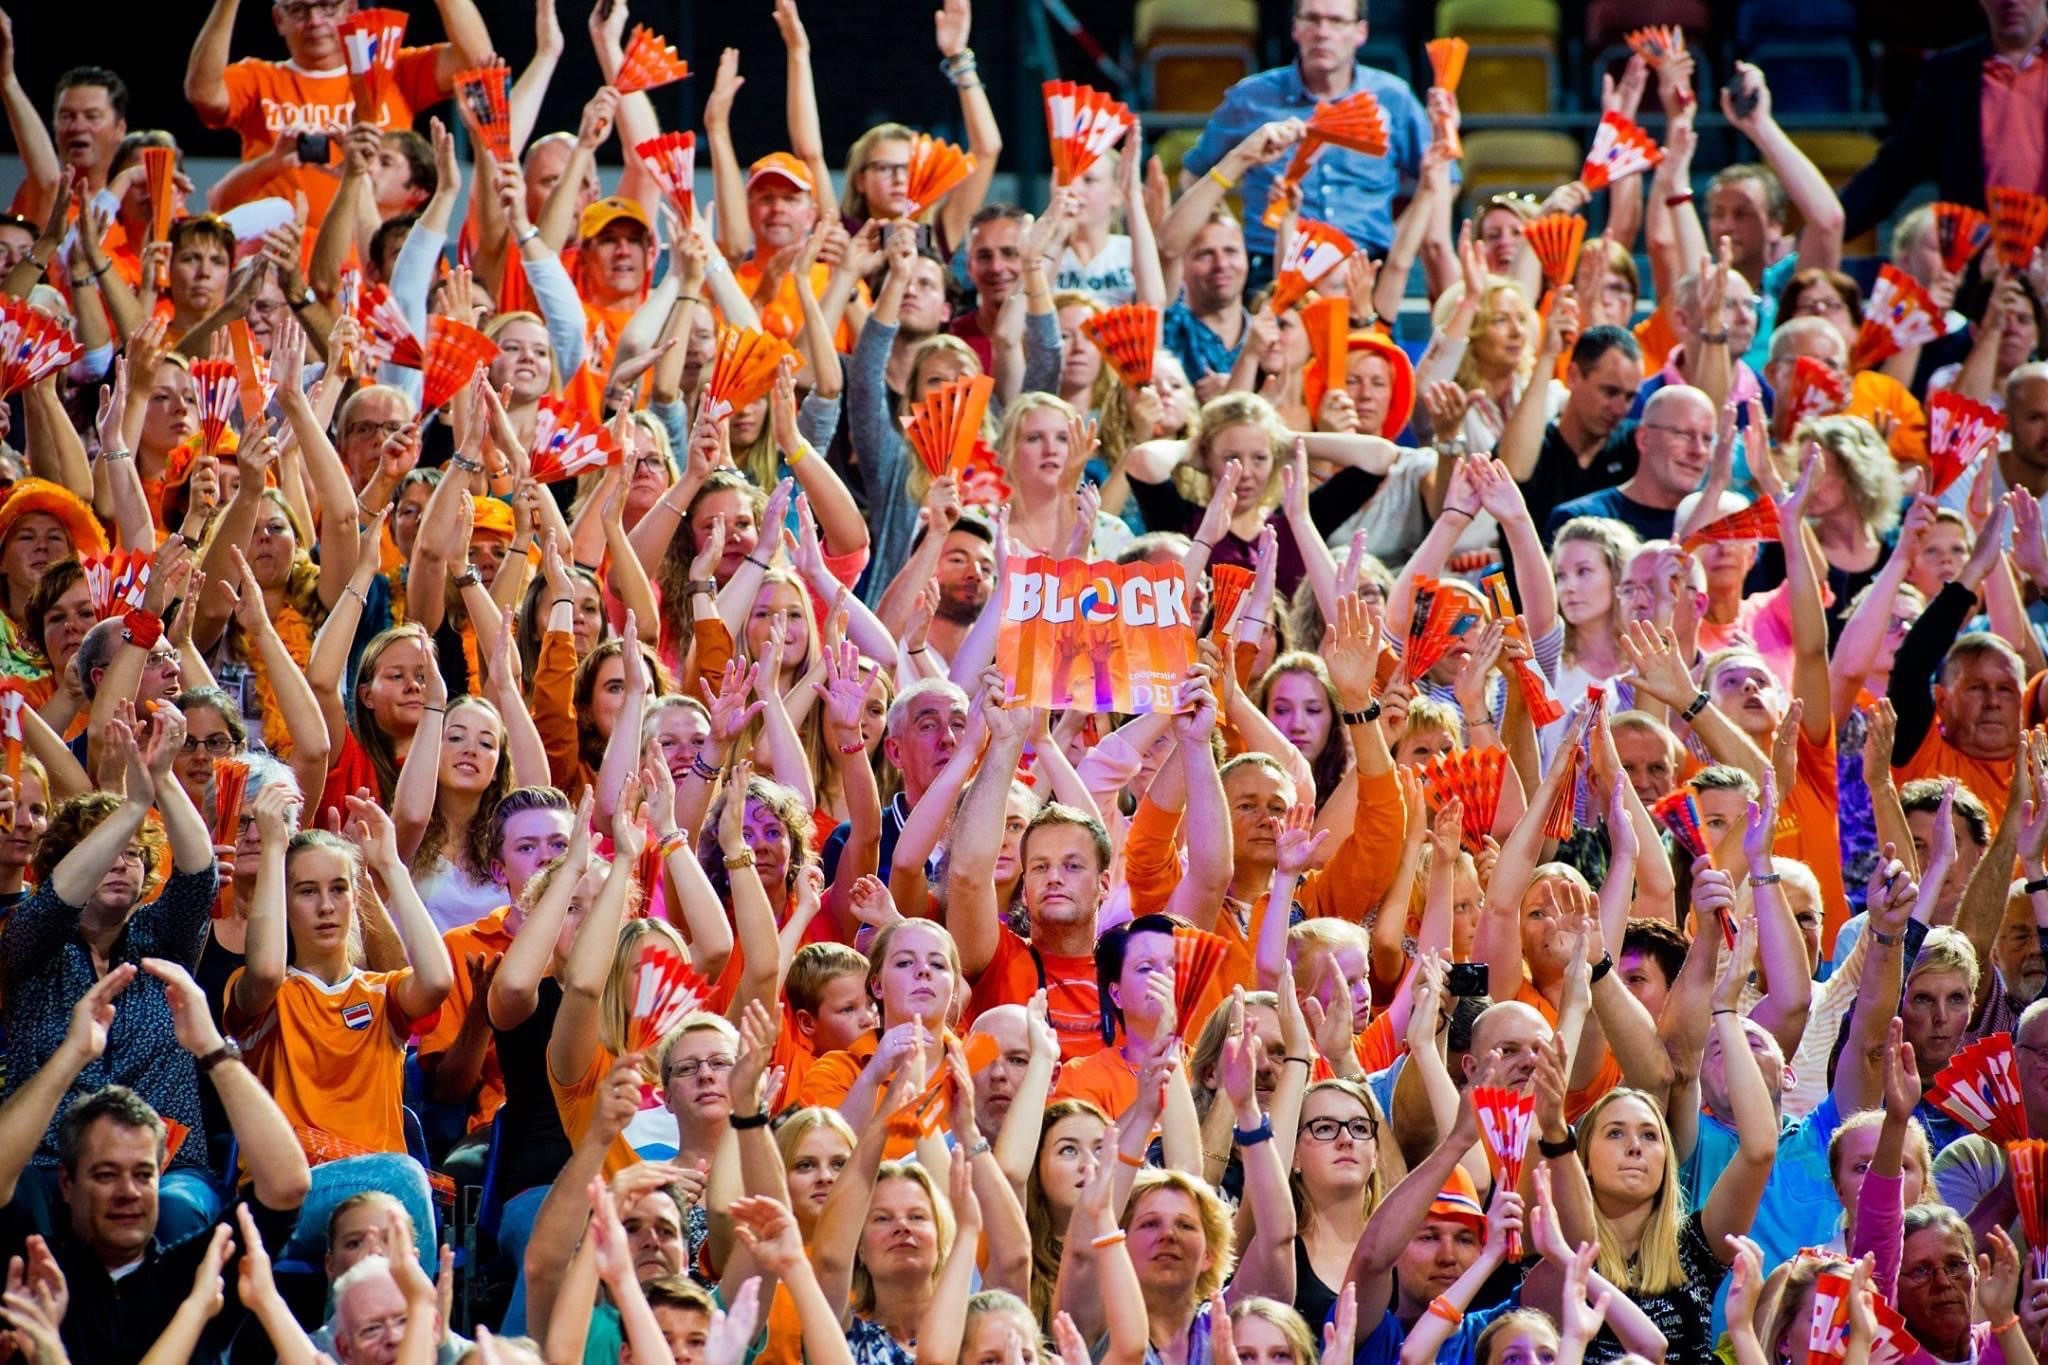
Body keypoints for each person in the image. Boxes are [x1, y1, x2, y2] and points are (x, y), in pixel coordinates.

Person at [0, 960, 307, 1365]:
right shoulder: (37, 1270)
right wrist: (71, 1056)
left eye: (143, 1174)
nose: (128, 1192)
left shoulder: (198, 1273)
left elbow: (286, 1186)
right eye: (106, 1175)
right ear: (67, 1183)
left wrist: (211, 1047)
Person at [182, 0, 493, 229]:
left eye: (328, 7)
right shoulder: (258, 79)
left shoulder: (387, 72)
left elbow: (478, 62)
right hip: (275, 266)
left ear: (350, 11)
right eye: (298, 10)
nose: (315, 21)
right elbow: (203, 93)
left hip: (371, 263)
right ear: (278, 19)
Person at [1178, 0, 1437, 272]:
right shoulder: (1251, 98)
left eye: (1336, 21)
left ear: (1361, 32)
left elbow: (1444, 179)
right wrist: (1228, 232)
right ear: (1295, 28)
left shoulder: (1394, 98)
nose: (1322, 32)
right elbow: (1194, 175)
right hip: (1267, 266)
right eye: (1312, 19)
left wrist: (1398, 243)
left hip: (1365, 267)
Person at [1839, 0, 2048, 240]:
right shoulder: (1950, 75)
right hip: (1977, 255)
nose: (2010, 1)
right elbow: (1891, 172)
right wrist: (1823, 234)